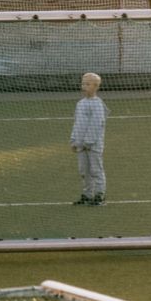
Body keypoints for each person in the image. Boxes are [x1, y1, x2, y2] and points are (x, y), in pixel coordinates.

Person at [69, 71, 107, 206]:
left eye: (88, 84)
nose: (84, 86)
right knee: (84, 171)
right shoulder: (80, 103)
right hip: (80, 145)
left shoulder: (97, 104)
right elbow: (77, 123)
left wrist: (87, 142)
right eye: (83, 83)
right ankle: (86, 194)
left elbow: (96, 124)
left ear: (96, 86)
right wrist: (73, 140)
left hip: (93, 145)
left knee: (96, 170)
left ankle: (99, 195)